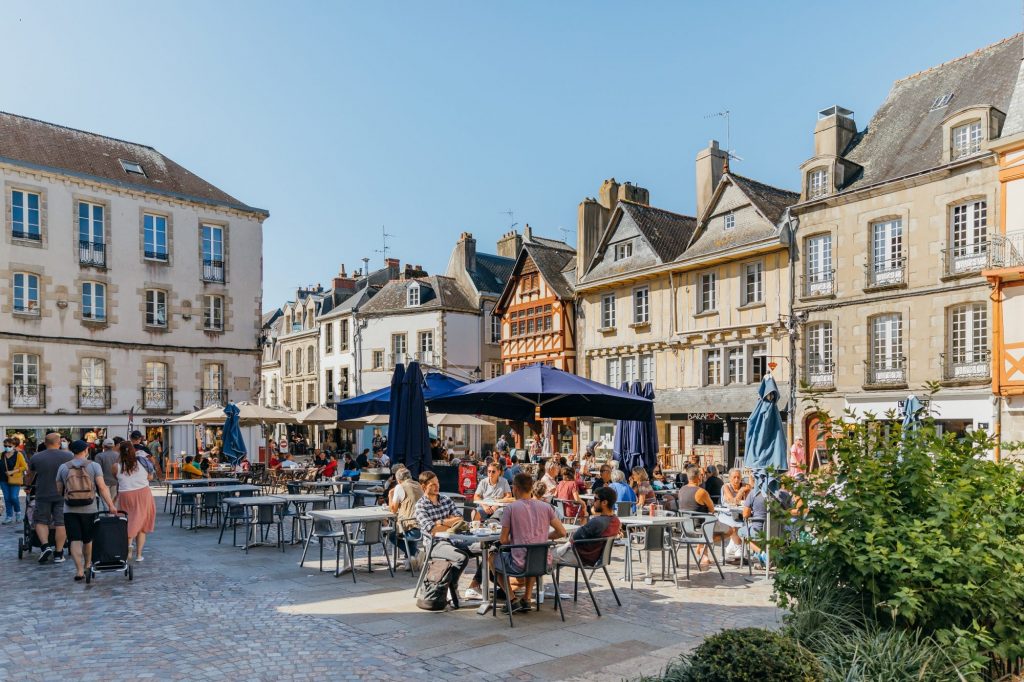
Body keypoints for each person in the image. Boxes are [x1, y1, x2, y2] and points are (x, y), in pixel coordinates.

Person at [493, 473, 567, 613]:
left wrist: (517, 540)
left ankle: (512, 599)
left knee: (492, 558)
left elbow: (503, 540)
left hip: (520, 563)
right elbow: (562, 532)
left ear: (515, 488)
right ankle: (526, 598)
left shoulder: (511, 508)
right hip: (543, 563)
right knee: (532, 552)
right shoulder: (546, 507)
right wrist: (544, 536)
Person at [413, 470, 485, 601]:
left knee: (489, 549)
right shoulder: (420, 506)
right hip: (435, 543)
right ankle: (450, 588)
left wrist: (441, 523)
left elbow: (459, 518)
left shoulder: (445, 499)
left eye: (437, 483)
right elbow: (432, 529)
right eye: (432, 484)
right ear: (423, 486)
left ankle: (474, 586)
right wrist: (448, 523)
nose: (437, 486)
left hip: (456, 539)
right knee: (461, 557)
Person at [56, 440, 117, 581]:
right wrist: (110, 505)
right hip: (90, 508)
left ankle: (78, 571)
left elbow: (59, 490)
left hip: (70, 509)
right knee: (88, 539)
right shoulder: (94, 466)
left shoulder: (63, 467)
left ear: (72, 451)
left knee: (74, 540)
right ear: (86, 450)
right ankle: (88, 565)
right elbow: (102, 487)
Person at [27, 432, 75, 564]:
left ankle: (45, 546)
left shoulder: (36, 457)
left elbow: (30, 476)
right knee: (61, 522)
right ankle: (59, 553)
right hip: (62, 494)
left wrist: (28, 486)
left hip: (42, 493)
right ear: (59, 442)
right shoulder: (68, 456)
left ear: (45, 443)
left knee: (41, 521)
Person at [555, 485, 621, 565]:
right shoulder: (616, 521)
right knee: (553, 558)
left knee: (547, 556)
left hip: (581, 556)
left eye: (596, 499)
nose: (593, 502)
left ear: (604, 502)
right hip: (595, 558)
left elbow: (575, 536)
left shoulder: (597, 522)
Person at [114, 442, 156, 561]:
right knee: (142, 525)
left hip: (125, 494)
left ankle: (128, 547)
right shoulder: (143, 462)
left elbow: (116, 478)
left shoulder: (116, 466)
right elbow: (150, 477)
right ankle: (138, 555)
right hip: (143, 493)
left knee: (127, 521)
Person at [386, 467, 423, 566]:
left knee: (393, 536)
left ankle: (415, 553)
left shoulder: (400, 487)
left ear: (398, 480)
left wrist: (390, 495)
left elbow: (393, 509)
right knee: (407, 530)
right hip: (422, 525)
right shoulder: (418, 485)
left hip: (411, 527)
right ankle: (410, 561)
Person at [1, 437, 28, 523]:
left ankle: (18, 513)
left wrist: (13, 471)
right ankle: (9, 516)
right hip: (3, 479)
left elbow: (25, 467)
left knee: (13, 497)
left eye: (9, 445)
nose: (7, 447)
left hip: (14, 479)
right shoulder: (2, 454)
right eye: (5, 445)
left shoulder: (18, 454)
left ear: (13, 445)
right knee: (7, 498)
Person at [94, 439, 121, 506]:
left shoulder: (99, 456)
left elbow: (97, 470)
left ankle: (106, 515)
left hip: (103, 482)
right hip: (116, 481)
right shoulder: (118, 455)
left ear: (103, 446)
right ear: (113, 446)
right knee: (113, 501)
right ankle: (112, 515)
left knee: (104, 502)